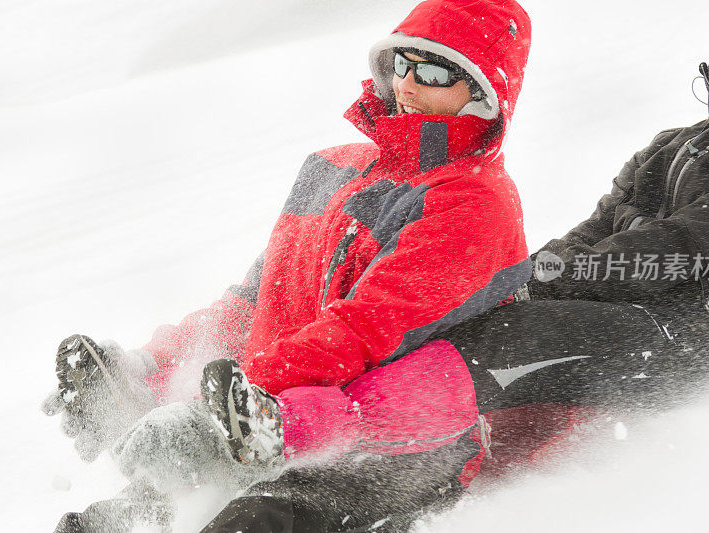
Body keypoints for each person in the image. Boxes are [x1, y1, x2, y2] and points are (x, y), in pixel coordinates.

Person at [195, 0, 709, 530]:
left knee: (499, 345)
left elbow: (681, 248)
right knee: (474, 324)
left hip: (681, 339)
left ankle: (313, 436)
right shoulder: (668, 146)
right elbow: (597, 225)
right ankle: (313, 435)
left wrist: (552, 279)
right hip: (611, 309)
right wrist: (524, 275)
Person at [45, 0, 534, 531]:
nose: (409, 84)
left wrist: (216, 418)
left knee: (249, 522)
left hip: (398, 447)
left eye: (434, 70)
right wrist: (151, 372)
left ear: (484, 96)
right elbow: (253, 304)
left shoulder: (474, 204)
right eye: (400, 63)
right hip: (261, 424)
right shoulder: (335, 168)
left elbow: (361, 333)